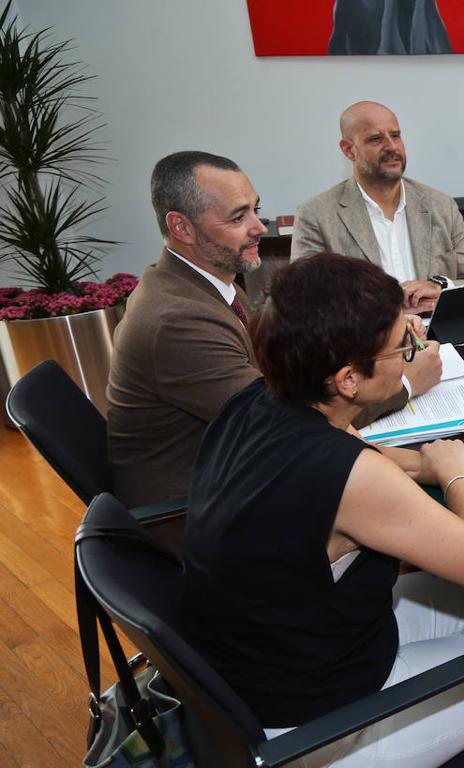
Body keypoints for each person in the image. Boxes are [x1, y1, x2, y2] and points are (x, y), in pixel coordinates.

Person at [183, 252, 464, 768]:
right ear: (348, 378)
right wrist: (453, 471)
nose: (417, 352)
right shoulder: (347, 479)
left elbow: (362, 452)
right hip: (313, 743)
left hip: (265, 678)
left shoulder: (259, 402)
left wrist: (437, 466)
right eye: (404, 345)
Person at [107, 151, 437, 509]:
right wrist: (404, 382)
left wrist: (378, 342)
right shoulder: (175, 321)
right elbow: (289, 423)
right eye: (238, 217)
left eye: (255, 210)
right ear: (181, 228)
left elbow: (281, 380)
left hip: (241, 473)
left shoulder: (209, 284)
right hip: (199, 511)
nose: (259, 227)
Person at [291, 100, 464, 314]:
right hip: (365, 343)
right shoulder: (316, 215)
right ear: (349, 150)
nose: (392, 147)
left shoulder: (440, 206)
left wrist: (440, 286)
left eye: (395, 136)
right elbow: (304, 301)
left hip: (439, 339)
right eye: (376, 139)